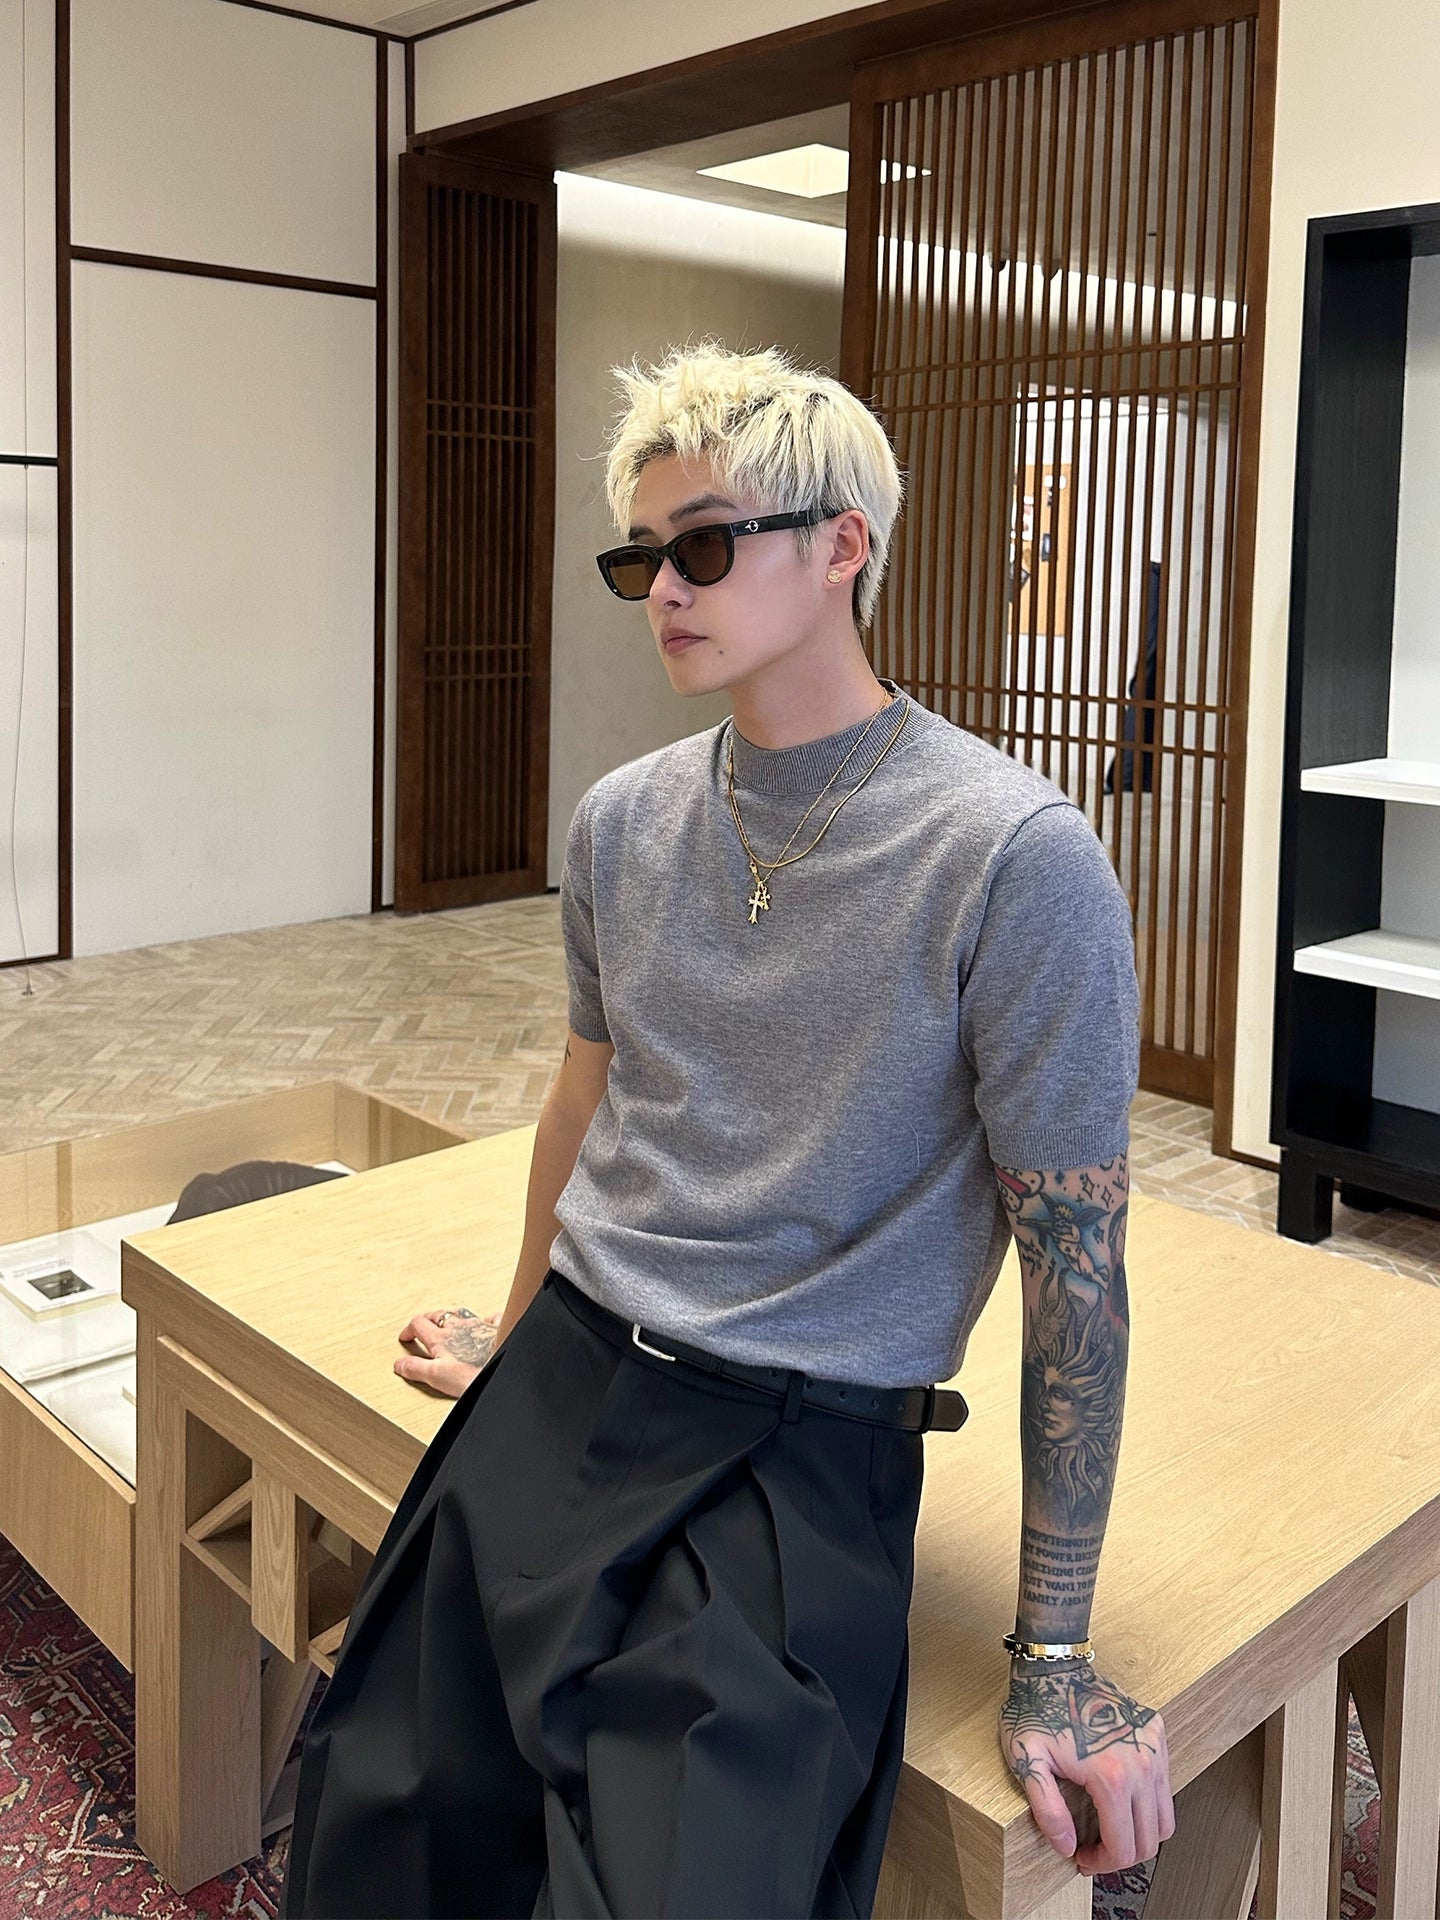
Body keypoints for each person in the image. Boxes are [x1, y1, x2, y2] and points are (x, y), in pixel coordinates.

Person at [281, 341, 1174, 1919]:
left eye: (703, 546)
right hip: (571, 1373)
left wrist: (1054, 1647)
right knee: (387, 1816)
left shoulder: (1014, 857)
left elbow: (1076, 1264)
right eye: (643, 558)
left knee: (676, 1883)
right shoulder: (625, 819)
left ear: (843, 547)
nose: (664, 592)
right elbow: (587, 1094)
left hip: (800, 1446)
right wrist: (516, 1324)